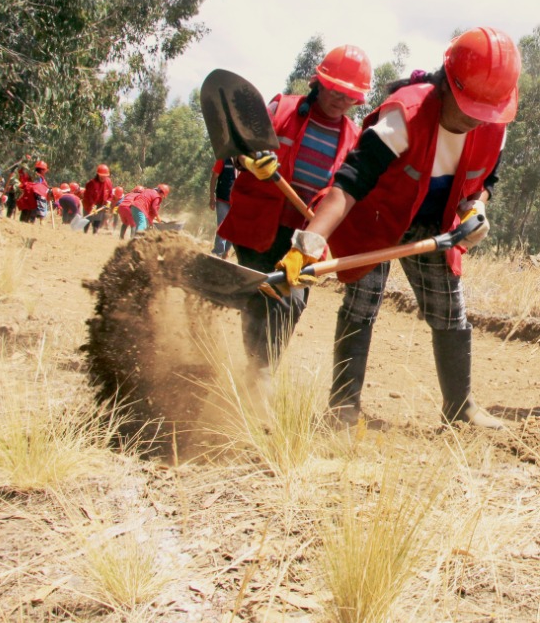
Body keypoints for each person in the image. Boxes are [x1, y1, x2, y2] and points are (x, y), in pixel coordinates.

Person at [272, 27, 519, 429]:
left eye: (485, 112)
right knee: (363, 302)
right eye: (469, 108)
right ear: (445, 86)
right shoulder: (403, 117)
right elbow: (349, 183)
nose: (477, 120)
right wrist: (309, 242)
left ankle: (461, 407)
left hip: (434, 223)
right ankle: (343, 407)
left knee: (449, 308)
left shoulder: (495, 122)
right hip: (377, 216)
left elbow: (486, 180)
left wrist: (476, 209)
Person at [217, 45, 370, 375]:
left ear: (358, 100)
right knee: (263, 295)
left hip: (306, 235)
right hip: (259, 223)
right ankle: (258, 376)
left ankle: (260, 371)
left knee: (291, 302)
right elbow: (236, 146)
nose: (340, 99)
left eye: (349, 95)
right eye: (334, 89)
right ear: (319, 81)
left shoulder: (355, 138)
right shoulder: (280, 108)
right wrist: (247, 160)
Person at [209, 157, 237, 257]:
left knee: (233, 228)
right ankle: (218, 252)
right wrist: (212, 197)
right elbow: (214, 178)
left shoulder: (244, 162)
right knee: (222, 225)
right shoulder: (223, 160)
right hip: (222, 199)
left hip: (236, 202)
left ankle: (226, 252)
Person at [83, 165, 114, 234]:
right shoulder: (91, 183)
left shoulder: (108, 182)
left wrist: (108, 201)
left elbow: (110, 194)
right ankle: (85, 232)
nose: (103, 177)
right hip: (89, 203)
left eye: (105, 176)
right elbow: (88, 196)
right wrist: (92, 205)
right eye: (101, 175)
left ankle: (95, 233)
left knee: (98, 218)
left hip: (101, 203)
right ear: (98, 175)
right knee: (88, 218)